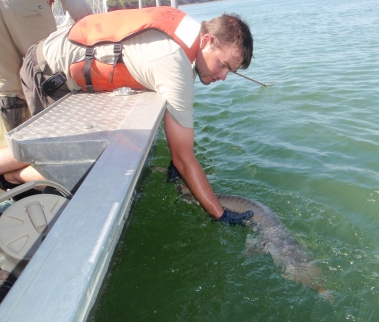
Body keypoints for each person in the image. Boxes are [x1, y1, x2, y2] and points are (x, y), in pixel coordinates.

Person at [1, 6, 254, 225]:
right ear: (207, 40)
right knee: (83, 167)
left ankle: (10, 175)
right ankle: (10, 176)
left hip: (55, 59)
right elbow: (183, 157)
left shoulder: (187, 32)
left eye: (230, 72)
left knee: (70, 156)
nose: (222, 76)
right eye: (223, 65)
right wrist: (219, 215)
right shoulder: (174, 63)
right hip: (47, 73)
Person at [0, 0, 92, 191]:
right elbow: (82, 12)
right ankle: (29, 179)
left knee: (9, 92)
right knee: (45, 67)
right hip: (25, 7)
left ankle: (15, 180)